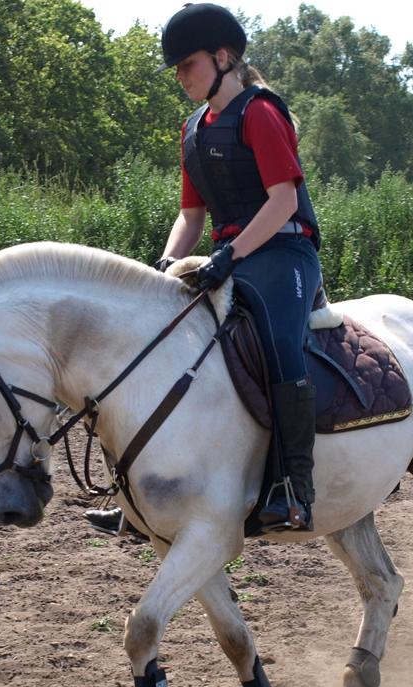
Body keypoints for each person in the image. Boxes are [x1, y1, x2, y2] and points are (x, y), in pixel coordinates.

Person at [85, 1, 322, 538]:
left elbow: (283, 202)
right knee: (153, 334)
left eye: (186, 64)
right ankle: (136, 496)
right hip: (223, 258)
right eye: (176, 68)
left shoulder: (260, 112)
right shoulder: (193, 130)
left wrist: (230, 256)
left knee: (280, 343)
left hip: (284, 253)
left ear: (222, 57)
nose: (180, 76)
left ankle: (293, 488)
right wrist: (168, 264)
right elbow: (190, 216)